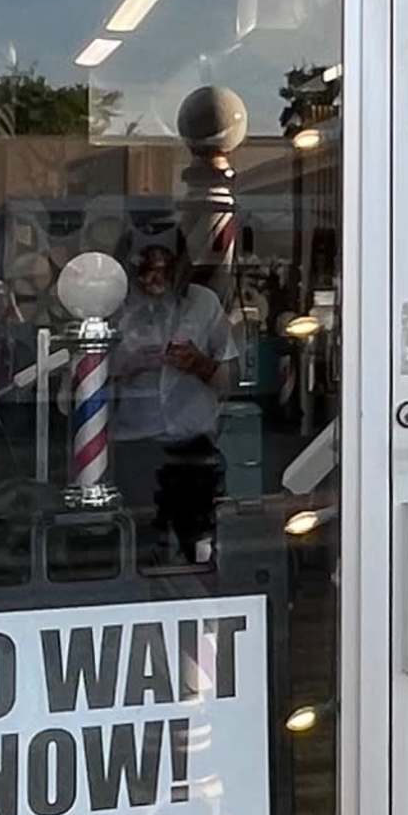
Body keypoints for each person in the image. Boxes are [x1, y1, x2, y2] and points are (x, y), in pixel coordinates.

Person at [111, 224, 230, 563]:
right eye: (147, 269)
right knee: (141, 544)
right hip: (134, 446)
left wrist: (199, 364)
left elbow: (230, 382)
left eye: (165, 268)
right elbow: (76, 392)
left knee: (200, 545)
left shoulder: (202, 304)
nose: (155, 279)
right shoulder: (114, 308)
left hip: (192, 449)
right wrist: (124, 367)